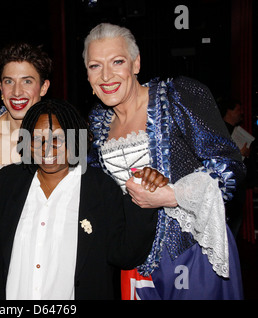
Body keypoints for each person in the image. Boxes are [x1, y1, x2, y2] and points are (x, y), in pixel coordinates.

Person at [84, 22, 245, 299]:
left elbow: (230, 166)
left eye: (117, 61)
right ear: (87, 75)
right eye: (95, 66)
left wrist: (173, 195)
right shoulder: (97, 122)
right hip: (133, 259)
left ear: (136, 64)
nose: (106, 75)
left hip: (192, 251)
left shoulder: (177, 96)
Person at [0, 98, 170, 300]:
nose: (47, 149)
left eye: (58, 139)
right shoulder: (10, 181)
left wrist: (146, 197)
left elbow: (125, 254)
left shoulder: (100, 188)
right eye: (38, 140)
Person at [0, 42, 52, 299]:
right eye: (8, 81)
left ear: (44, 87)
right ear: (0, 86)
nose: (17, 91)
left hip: (41, 267)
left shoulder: (63, 135)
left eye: (27, 81)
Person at [218, 96, 257, 238]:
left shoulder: (238, 132)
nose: (241, 113)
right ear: (229, 111)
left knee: (235, 225)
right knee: (227, 227)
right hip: (225, 186)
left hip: (239, 185)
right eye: (238, 109)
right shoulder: (219, 131)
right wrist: (237, 154)